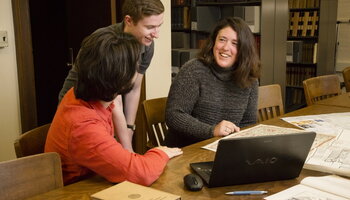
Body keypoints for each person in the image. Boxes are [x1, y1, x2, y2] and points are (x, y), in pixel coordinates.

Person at [45, 29, 183, 186]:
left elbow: (116, 106)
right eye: (134, 67)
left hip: (97, 179)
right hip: (80, 191)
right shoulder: (83, 126)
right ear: (118, 77)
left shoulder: (86, 92)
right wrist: (160, 152)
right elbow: (142, 173)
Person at [58, 0, 165, 152]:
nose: (156, 34)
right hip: (83, 107)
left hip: (110, 106)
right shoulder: (107, 43)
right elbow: (115, 99)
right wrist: (127, 147)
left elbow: (134, 89)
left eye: (159, 26)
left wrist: (129, 128)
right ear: (129, 20)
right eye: (150, 27)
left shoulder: (146, 44)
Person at [164, 17, 261, 147]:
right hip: (185, 150)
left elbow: (248, 123)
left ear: (244, 49)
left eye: (235, 43)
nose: (226, 47)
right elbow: (174, 116)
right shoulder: (193, 70)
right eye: (222, 40)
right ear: (213, 42)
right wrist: (211, 131)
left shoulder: (250, 79)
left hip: (222, 150)